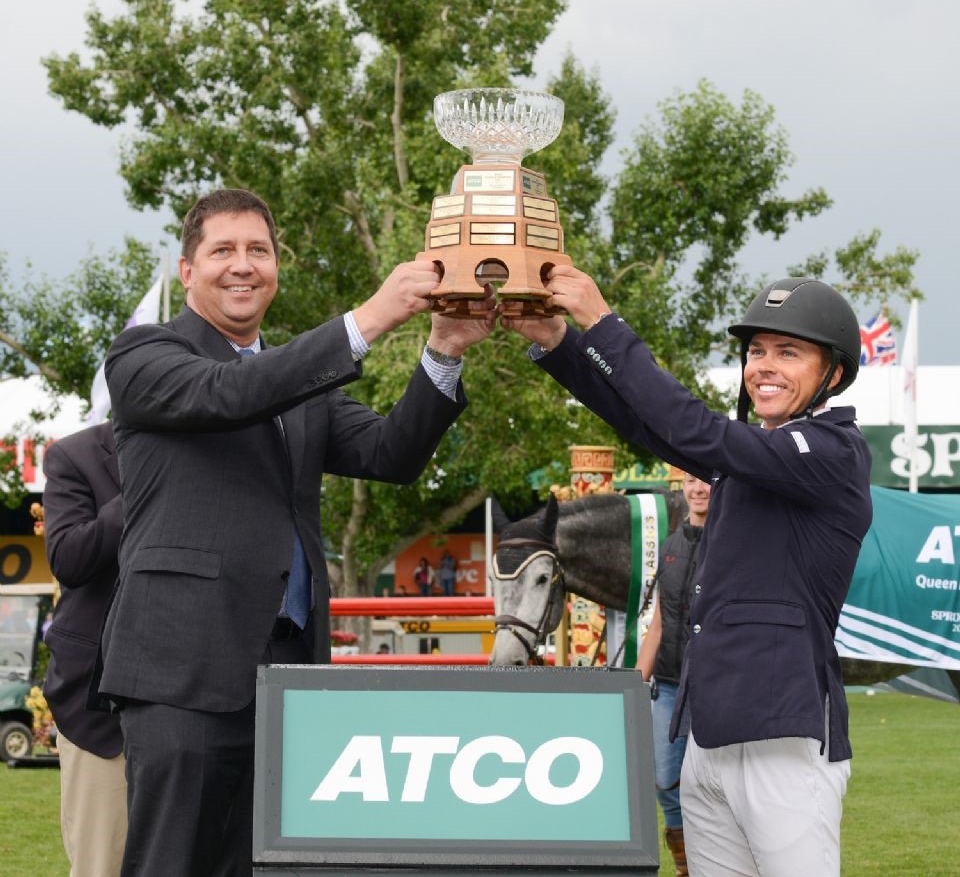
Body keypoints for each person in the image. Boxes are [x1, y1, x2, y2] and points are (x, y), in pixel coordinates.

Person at [97, 188, 494, 876]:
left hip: (290, 678)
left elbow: (390, 456)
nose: (242, 266)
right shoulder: (143, 356)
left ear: (278, 266)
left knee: (272, 867)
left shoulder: (301, 381)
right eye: (223, 250)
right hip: (182, 674)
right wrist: (369, 319)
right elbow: (228, 395)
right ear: (188, 270)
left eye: (259, 250)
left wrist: (444, 349)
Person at [504, 271, 871, 877]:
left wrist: (603, 320)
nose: (764, 366)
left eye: (788, 352)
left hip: (783, 740)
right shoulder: (754, 455)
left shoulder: (833, 449)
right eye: (756, 351)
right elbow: (644, 423)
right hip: (706, 736)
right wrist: (556, 339)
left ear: (833, 372)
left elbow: (692, 428)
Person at [42, 421, 127, 877]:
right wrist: (150, 475)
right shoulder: (74, 455)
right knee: (101, 865)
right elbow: (69, 559)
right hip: (99, 711)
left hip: (199, 700)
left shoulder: (222, 449)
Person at [635, 471, 712, 877]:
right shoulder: (671, 546)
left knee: (717, 787)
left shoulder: (734, 542)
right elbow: (659, 625)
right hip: (667, 685)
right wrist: (632, 684)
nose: (699, 489)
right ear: (682, 486)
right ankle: (685, 865)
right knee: (665, 779)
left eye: (708, 481)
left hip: (716, 687)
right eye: (692, 481)